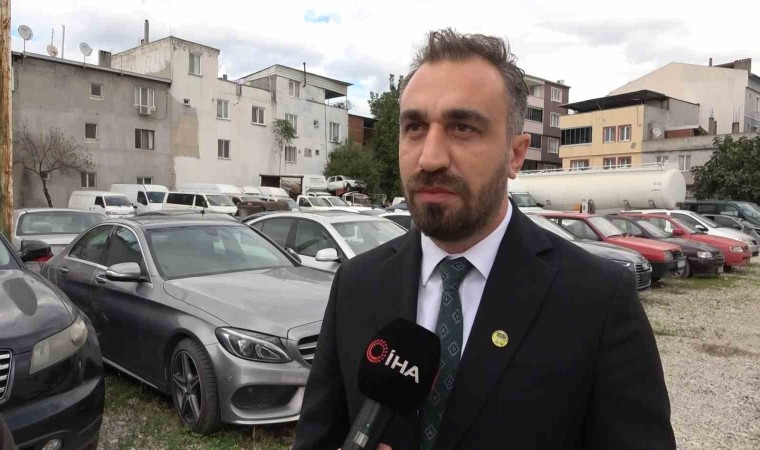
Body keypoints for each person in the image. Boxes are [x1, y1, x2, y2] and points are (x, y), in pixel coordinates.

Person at [293, 28, 675, 450]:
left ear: (515, 154)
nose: (430, 158)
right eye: (415, 127)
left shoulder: (597, 299)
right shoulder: (356, 284)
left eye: (462, 127)